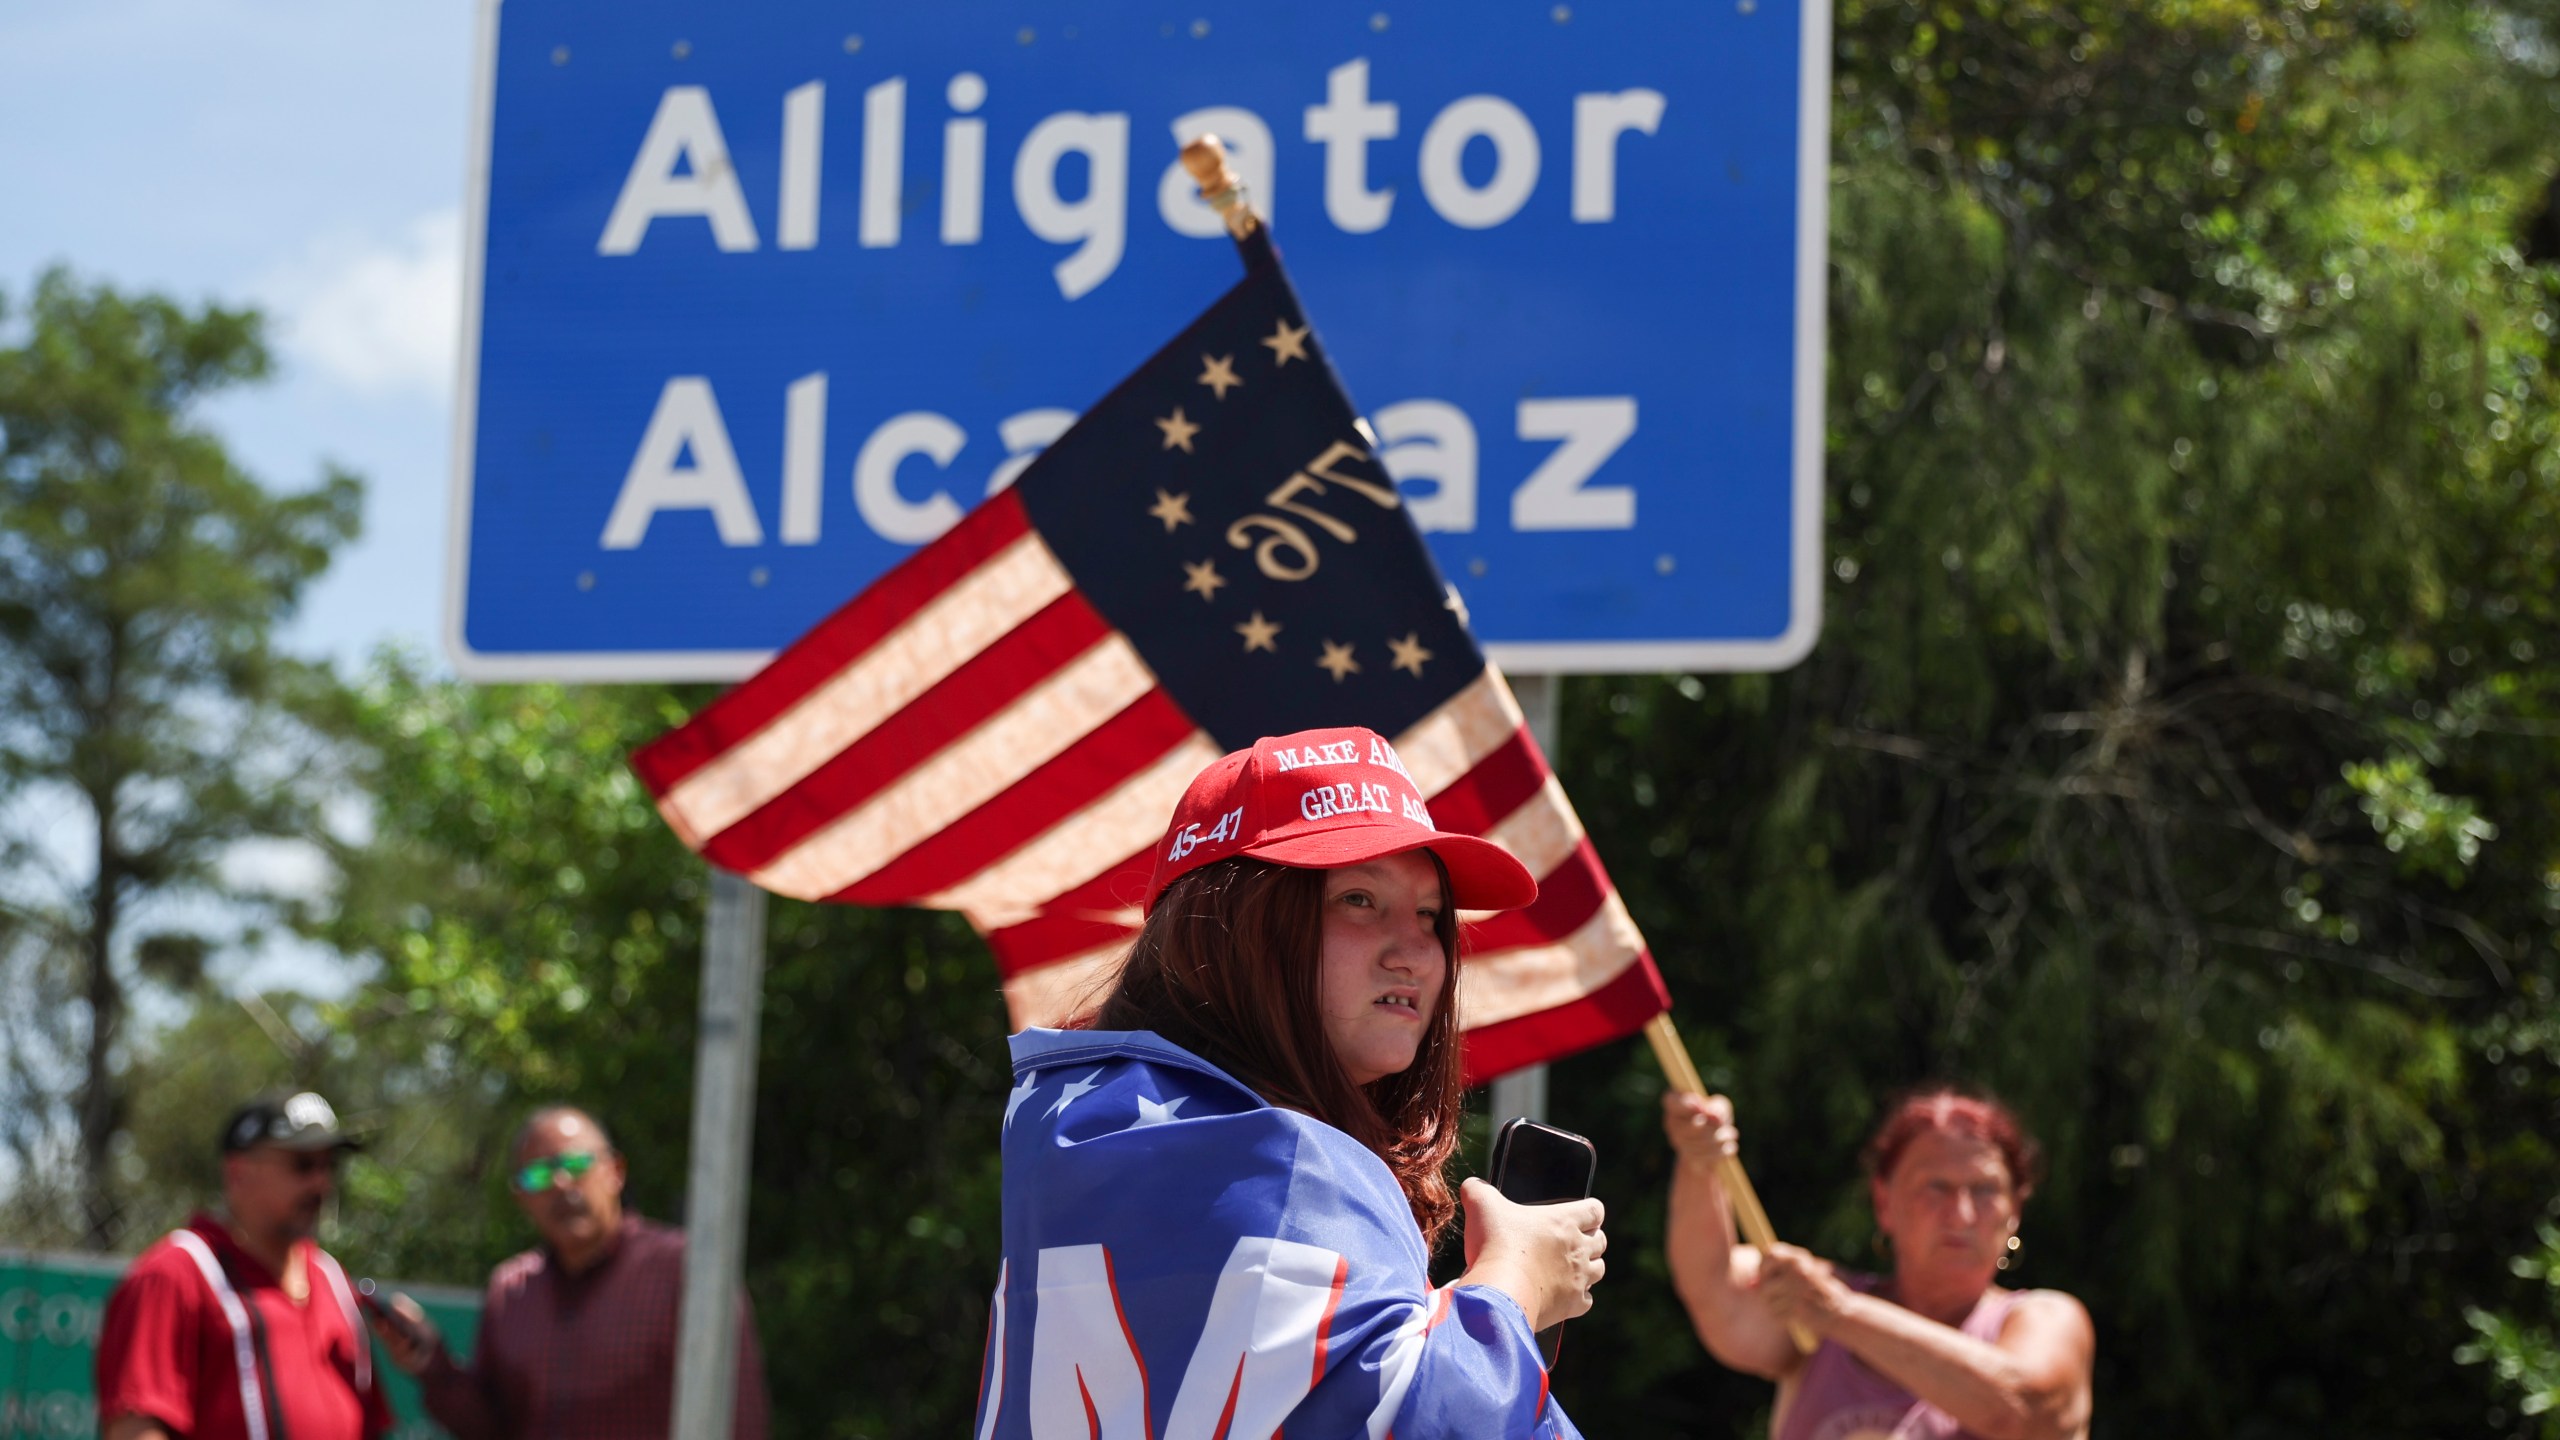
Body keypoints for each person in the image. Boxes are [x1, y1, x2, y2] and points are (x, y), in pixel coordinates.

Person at [973, 725, 1603, 1439]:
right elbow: (1433, 1425)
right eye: (1359, 899)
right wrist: (1514, 1285)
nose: (1417, 953)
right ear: (1234, 927)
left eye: (1430, 914)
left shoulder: (1083, 1136)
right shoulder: (1287, 1169)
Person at [1661, 1085, 2095, 1440]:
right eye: (1936, 1188)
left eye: (1984, 1190)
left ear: (2015, 1208)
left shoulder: (2048, 1317)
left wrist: (1842, 1314)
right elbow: (1712, 1285)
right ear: (1884, 1202)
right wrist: (1700, 1163)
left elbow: (2028, 1411)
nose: (1961, 1215)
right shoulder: (1816, 1301)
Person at [367, 1106, 768, 1440]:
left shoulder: (687, 1273)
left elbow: (740, 1418)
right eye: (539, 1175)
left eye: (576, 1164)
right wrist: (432, 1365)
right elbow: (490, 1430)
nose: (561, 1183)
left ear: (615, 1172)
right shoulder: (511, 1290)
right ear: (521, 1197)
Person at [95, 1091, 391, 1440]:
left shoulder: (333, 1280)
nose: (321, 1183)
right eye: (303, 1165)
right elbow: (137, 1430)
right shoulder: (176, 1273)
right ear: (238, 1173)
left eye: (329, 1166)